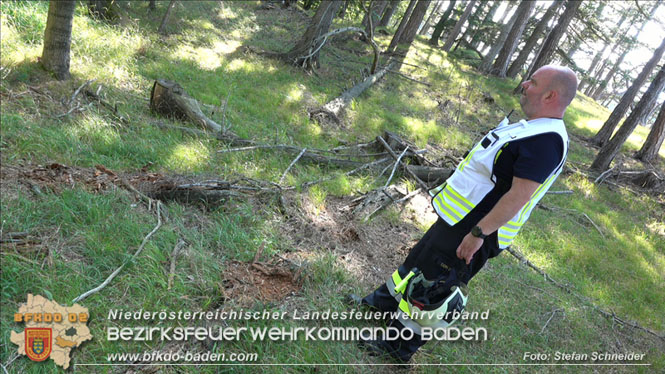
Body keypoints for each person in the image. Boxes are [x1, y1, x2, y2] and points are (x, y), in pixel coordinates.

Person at [351, 65, 579, 362]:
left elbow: (520, 196)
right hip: (460, 218)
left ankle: (397, 347)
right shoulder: (533, 127)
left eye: (532, 82)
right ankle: (382, 304)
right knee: (418, 264)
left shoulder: (546, 140)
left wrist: (478, 234)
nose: (524, 85)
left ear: (550, 95)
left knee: (434, 287)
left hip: (477, 227)